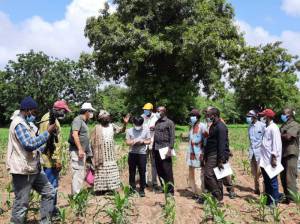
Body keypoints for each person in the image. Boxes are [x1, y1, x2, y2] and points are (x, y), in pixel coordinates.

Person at [6, 96, 56, 224]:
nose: (34, 115)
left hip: (34, 168)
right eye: (33, 112)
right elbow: (28, 144)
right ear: (27, 110)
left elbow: (37, 145)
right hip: (22, 170)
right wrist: (47, 133)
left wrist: (48, 142)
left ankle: (45, 222)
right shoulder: (18, 124)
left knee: (49, 193)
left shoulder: (29, 124)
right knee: (21, 204)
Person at [39, 100, 71, 216]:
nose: (65, 113)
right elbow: (53, 142)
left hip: (44, 158)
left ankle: (50, 210)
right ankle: (49, 212)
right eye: (64, 111)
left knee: (48, 187)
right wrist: (57, 159)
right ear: (58, 110)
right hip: (50, 160)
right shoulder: (52, 121)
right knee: (52, 187)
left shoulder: (45, 117)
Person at [90, 110, 130, 193]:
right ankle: (100, 189)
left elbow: (121, 131)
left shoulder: (112, 126)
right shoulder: (97, 127)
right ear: (100, 119)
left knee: (111, 169)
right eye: (104, 118)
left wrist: (125, 123)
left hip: (110, 153)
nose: (106, 119)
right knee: (101, 169)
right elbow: (92, 141)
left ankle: (110, 188)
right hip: (100, 153)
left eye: (107, 117)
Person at [204, 107, 236, 199]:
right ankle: (219, 197)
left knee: (208, 174)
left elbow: (222, 144)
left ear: (214, 116)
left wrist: (221, 160)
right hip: (212, 153)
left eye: (208, 115)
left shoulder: (221, 127)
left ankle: (217, 194)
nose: (207, 116)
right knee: (217, 175)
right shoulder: (213, 125)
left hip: (216, 154)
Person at [69, 102, 95, 194]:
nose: (92, 113)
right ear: (86, 111)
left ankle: (77, 195)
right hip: (77, 151)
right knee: (77, 174)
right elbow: (74, 134)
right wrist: (80, 149)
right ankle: (75, 197)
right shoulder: (78, 120)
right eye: (91, 111)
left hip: (81, 151)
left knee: (80, 173)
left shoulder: (84, 122)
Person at [259, 109, 282, 206]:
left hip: (271, 159)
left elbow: (276, 144)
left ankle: (274, 201)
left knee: (272, 182)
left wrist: (274, 158)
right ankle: (268, 200)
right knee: (267, 182)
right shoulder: (266, 127)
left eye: (263, 116)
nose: (262, 118)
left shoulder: (274, 128)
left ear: (267, 117)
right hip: (264, 160)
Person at [126, 116, 151, 197]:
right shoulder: (129, 130)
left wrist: (143, 141)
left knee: (142, 172)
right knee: (132, 171)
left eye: (139, 125)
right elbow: (127, 142)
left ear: (142, 123)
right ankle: (132, 188)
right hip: (132, 153)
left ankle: (142, 189)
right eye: (136, 124)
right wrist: (133, 142)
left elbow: (149, 141)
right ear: (133, 123)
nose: (137, 126)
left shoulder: (146, 130)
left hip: (142, 154)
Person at [153, 106, 175, 195]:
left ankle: (170, 190)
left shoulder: (169, 122)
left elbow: (172, 136)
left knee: (167, 170)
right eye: (157, 111)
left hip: (165, 148)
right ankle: (163, 187)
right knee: (159, 169)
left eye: (159, 111)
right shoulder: (157, 122)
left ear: (164, 112)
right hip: (157, 148)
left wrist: (170, 149)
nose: (157, 112)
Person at [280, 108, 300, 204]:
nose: (282, 115)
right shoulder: (284, 125)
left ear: (290, 115)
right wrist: (282, 134)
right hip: (283, 153)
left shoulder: (295, 125)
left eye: (284, 113)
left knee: (290, 177)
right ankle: (287, 197)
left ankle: (292, 199)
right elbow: (284, 135)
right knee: (283, 177)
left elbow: (288, 137)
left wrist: (280, 134)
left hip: (291, 153)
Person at [186, 109, 207, 197]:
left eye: (193, 116)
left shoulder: (202, 126)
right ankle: (195, 192)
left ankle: (200, 194)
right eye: (191, 116)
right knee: (192, 174)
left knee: (198, 174)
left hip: (199, 154)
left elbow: (206, 140)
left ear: (197, 117)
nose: (191, 118)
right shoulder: (191, 126)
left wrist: (204, 153)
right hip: (191, 155)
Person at [246, 110, 265, 195]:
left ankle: (262, 191)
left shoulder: (262, 126)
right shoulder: (249, 127)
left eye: (250, 116)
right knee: (254, 172)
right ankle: (256, 189)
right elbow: (250, 140)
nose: (248, 118)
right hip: (252, 152)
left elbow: (265, 139)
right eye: (248, 116)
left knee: (260, 172)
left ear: (254, 117)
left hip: (260, 152)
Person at [141, 103, 159, 190]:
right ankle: (145, 181)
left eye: (147, 109)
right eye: (145, 109)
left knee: (154, 163)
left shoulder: (156, 117)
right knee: (144, 163)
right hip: (144, 143)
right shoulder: (142, 117)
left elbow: (160, 127)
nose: (145, 111)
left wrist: (155, 128)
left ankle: (154, 182)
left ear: (151, 110)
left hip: (153, 142)